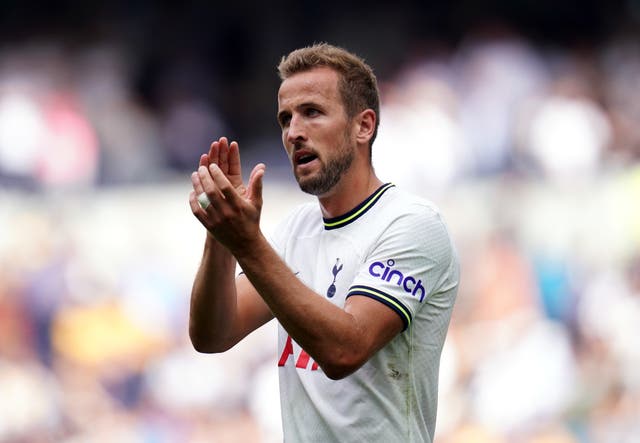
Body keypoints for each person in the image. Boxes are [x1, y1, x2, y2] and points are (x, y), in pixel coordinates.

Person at [188, 43, 459, 442]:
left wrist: (246, 243)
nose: (294, 132)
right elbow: (213, 336)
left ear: (363, 126)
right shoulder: (295, 230)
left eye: (312, 112)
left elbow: (344, 350)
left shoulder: (411, 225)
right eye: (285, 119)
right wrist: (220, 236)